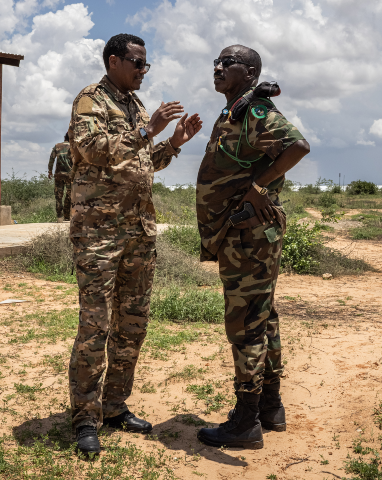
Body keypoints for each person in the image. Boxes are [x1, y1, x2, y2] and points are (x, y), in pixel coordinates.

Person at [67, 33, 202, 456]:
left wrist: (173, 143)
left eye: (147, 64)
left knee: (132, 323)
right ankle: (85, 417)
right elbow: (91, 151)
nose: (144, 71)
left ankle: (114, 405)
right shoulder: (91, 100)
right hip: (99, 232)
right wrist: (148, 129)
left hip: (137, 231)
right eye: (139, 63)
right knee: (96, 325)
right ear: (114, 61)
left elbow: (141, 163)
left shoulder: (135, 105)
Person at [195, 45, 310, 450]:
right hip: (243, 236)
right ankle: (269, 406)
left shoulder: (256, 111)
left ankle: (245, 422)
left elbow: (297, 146)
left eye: (228, 63)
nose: (218, 68)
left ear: (250, 72)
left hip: (249, 237)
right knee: (263, 317)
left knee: (245, 326)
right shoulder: (233, 112)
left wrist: (260, 187)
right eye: (217, 62)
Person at [48, 133, 73, 223]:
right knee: (70, 195)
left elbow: (51, 159)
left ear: (64, 138)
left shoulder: (57, 146)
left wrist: (50, 171)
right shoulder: (73, 147)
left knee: (58, 196)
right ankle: (68, 216)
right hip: (70, 175)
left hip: (58, 175)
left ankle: (60, 217)